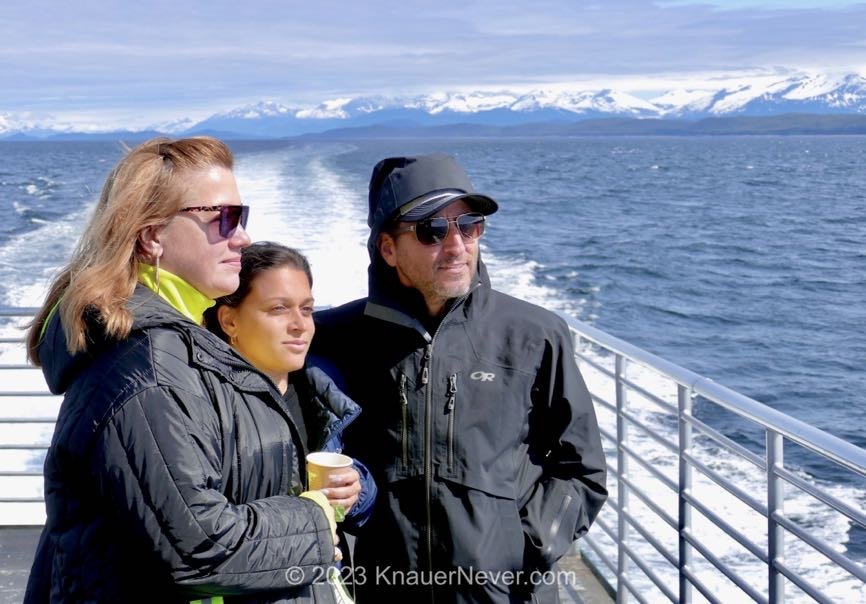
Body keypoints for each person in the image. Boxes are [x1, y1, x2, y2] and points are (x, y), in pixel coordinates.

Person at [25, 137, 343, 603]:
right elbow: (199, 546)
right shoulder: (146, 370)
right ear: (153, 236)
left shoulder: (185, 343)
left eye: (242, 216)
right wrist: (313, 520)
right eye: (224, 219)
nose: (242, 237)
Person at [311, 153, 609, 603]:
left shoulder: (535, 335)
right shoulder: (335, 338)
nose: (456, 245)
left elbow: (581, 469)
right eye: (432, 230)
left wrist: (525, 544)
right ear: (388, 248)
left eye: (469, 225)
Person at [203, 241, 376, 532]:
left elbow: (358, 497)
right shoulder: (206, 401)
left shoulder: (322, 389)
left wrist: (356, 491)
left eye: (307, 309)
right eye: (279, 308)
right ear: (230, 321)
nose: (300, 324)